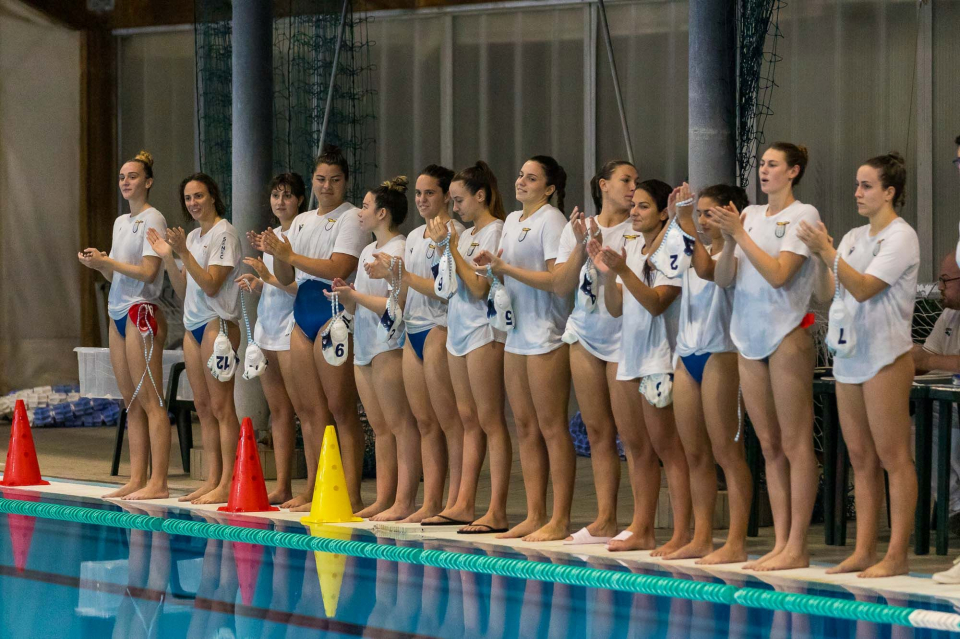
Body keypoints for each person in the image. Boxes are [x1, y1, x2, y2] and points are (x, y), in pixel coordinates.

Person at [798, 152, 919, 578]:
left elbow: (866, 288)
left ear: (890, 192)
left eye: (866, 186)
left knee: (894, 457)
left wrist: (827, 252)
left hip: (886, 357)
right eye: (856, 184)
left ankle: (897, 553)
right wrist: (818, 257)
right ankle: (865, 549)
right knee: (860, 458)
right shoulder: (851, 237)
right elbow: (834, 290)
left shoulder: (902, 238)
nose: (857, 193)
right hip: (849, 357)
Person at [710, 142, 822, 571]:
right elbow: (724, 279)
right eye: (761, 163)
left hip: (787, 336)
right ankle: (780, 543)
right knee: (770, 446)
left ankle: (798, 544)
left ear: (793, 171)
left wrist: (738, 236)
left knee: (795, 444)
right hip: (748, 339)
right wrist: (728, 239)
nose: (764, 170)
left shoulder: (803, 215)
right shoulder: (750, 216)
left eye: (773, 164)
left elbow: (779, 276)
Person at [256, 145, 366, 511]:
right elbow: (288, 274)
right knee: (308, 410)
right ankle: (315, 489)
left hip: (332, 313)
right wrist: (278, 255)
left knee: (341, 408)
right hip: (301, 315)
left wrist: (289, 256)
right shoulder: (301, 221)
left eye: (335, 180)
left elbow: (340, 266)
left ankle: (349, 494)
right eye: (321, 179)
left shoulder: (352, 218)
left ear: (345, 182)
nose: (327, 186)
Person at [473, 156, 574, 542]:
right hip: (516, 335)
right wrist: (490, 267)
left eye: (531, 178)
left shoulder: (552, 220)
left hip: (546, 334)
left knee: (551, 428)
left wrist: (506, 268)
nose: (521, 182)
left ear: (549, 188)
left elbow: (555, 280)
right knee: (526, 429)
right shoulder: (514, 221)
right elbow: (504, 270)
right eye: (520, 175)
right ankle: (535, 514)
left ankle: (560, 518)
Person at [589, 179, 692, 554]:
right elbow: (617, 308)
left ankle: (681, 533)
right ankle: (642, 527)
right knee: (635, 446)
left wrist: (623, 272)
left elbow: (657, 303)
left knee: (669, 449)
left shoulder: (674, 247)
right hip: (631, 356)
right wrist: (606, 272)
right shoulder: (633, 245)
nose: (634, 211)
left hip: (661, 358)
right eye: (635, 206)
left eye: (644, 206)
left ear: (665, 212)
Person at [365, 165, 467, 523]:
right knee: (425, 423)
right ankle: (428, 501)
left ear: (446, 197)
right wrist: (392, 282)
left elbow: (445, 291)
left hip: (440, 329)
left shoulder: (454, 233)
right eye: (419, 194)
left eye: (430, 193)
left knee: (450, 422)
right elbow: (405, 294)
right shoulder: (411, 238)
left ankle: (456, 500)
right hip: (413, 332)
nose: (423, 200)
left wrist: (402, 275)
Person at [660, 183, 755, 563]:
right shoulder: (688, 246)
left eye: (709, 213)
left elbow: (709, 271)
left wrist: (681, 223)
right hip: (687, 353)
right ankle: (701, 537)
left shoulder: (736, 253)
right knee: (694, 452)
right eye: (698, 213)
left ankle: (736, 541)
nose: (701, 220)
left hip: (722, 353)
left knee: (727, 453)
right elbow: (659, 262)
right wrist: (672, 221)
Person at [422, 161, 511, 534]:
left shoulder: (495, 232)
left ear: (481, 195)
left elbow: (478, 287)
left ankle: (497, 510)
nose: (454, 208)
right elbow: (449, 284)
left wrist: (449, 248)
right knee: (468, 419)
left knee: (491, 421)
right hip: (459, 329)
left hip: (484, 332)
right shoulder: (469, 234)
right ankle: (463, 502)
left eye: (458, 200)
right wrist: (448, 249)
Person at [552, 160, 636, 545]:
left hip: (624, 337)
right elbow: (562, 285)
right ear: (603, 184)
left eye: (635, 180)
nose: (633, 187)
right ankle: (605, 519)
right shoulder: (580, 229)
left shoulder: (639, 227)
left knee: (633, 436)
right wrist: (580, 246)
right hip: (584, 334)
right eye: (625, 179)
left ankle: (641, 520)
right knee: (598, 431)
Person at [78, 150, 170, 500]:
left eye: (132, 176)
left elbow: (149, 272)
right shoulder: (120, 222)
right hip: (117, 310)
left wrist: (109, 260)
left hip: (141, 310)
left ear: (147, 182)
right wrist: (98, 265)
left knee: (151, 400)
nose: (125, 182)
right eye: (122, 177)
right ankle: (137, 477)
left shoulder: (154, 219)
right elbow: (114, 271)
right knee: (130, 401)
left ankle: (158, 481)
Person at [147, 173, 242, 504]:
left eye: (199, 196)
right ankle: (213, 477)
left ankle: (229, 481)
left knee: (221, 405)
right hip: (194, 326)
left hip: (219, 325)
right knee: (202, 406)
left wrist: (183, 253)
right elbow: (186, 288)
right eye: (188, 198)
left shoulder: (224, 233)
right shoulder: (197, 236)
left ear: (213, 196)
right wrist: (167, 257)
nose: (193, 203)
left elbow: (213, 285)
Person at [330, 177, 421, 521]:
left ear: (382, 213)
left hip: (389, 344)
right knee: (380, 428)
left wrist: (356, 297)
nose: (360, 213)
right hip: (365, 344)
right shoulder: (368, 251)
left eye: (366, 207)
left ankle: (405, 500)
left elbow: (395, 304)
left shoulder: (398, 250)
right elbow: (362, 304)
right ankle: (385, 498)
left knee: (401, 425)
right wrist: (346, 297)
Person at [235, 173, 303, 504]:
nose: (280, 201)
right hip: (268, 327)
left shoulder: (303, 231)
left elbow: (298, 287)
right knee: (278, 411)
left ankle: (312, 485)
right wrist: (259, 282)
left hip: (293, 328)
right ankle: (283, 485)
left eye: (287, 195)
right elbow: (278, 284)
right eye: (276, 195)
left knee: (304, 409)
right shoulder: (272, 234)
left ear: (300, 200)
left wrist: (268, 278)